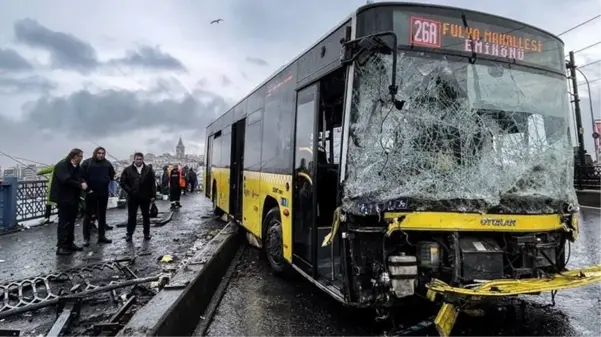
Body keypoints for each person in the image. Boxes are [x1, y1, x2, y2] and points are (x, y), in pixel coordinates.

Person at [50, 148, 87, 255]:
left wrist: (83, 181)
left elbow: (80, 176)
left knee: (71, 221)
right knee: (63, 222)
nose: (81, 158)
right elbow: (66, 179)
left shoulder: (76, 166)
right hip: (63, 198)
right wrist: (80, 185)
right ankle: (61, 246)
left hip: (73, 197)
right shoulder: (62, 165)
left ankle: (70, 243)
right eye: (80, 156)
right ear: (74, 156)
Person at [80, 146, 115, 246]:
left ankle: (101, 236)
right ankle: (86, 238)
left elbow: (111, 175)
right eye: (99, 153)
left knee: (102, 215)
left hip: (103, 192)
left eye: (102, 153)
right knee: (88, 215)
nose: (101, 155)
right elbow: (80, 176)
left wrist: (107, 179)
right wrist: (86, 187)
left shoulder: (107, 163)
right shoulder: (87, 163)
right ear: (95, 153)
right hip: (90, 192)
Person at [119, 153, 156, 242]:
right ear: (134, 159)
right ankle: (129, 234)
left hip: (145, 196)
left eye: (140, 159)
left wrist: (153, 195)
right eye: (137, 159)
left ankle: (146, 233)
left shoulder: (148, 169)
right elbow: (122, 183)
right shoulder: (127, 170)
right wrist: (130, 191)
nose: (139, 161)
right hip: (133, 197)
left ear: (143, 159)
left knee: (146, 216)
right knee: (132, 216)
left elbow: (152, 183)